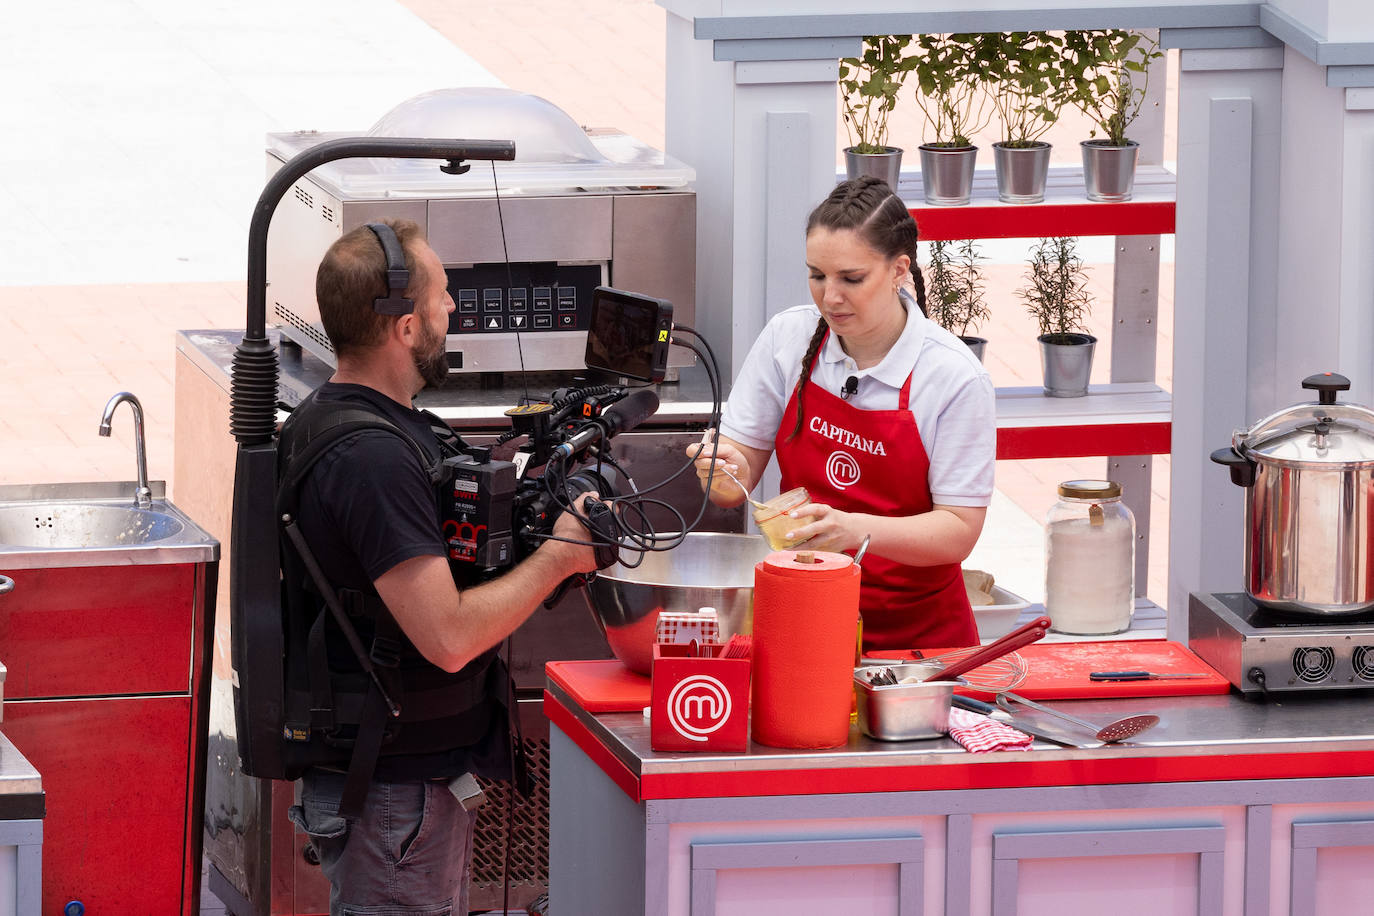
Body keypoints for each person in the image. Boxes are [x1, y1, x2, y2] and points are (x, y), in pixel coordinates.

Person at [279, 218, 597, 915]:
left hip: (405, 787)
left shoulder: (364, 425)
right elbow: (447, 637)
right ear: (402, 324)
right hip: (396, 799)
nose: (453, 309)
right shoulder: (373, 461)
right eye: (443, 294)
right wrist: (561, 557)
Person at [689, 177, 995, 651]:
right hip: (801, 618)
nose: (830, 297)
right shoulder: (787, 339)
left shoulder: (953, 377)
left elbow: (957, 531)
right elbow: (733, 483)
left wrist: (851, 530)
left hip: (918, 645)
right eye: (817, 275)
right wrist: (721, 470)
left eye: (851, 279)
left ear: (899, 270)